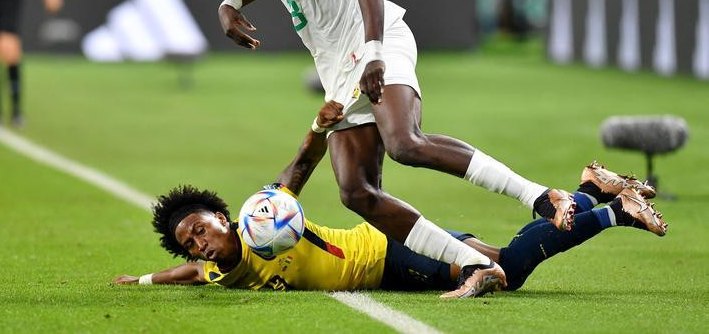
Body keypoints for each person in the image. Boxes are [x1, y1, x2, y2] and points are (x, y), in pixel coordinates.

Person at [217, 0, 573, 295]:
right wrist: (232, 2)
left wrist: (373, 54)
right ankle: (473, 263)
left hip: (377, 40)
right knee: (356, 192)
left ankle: (540, 196)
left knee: (405, 142)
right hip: (336, 68)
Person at [114, 103, 666, 297]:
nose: (201, 245)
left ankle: (615, 209)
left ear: (219, 215)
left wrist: (317, 125)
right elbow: (185, 275)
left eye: (201, 230)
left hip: (385, 251)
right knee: (502, 261)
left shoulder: (264, 215)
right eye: (192, 243)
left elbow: (301, 167)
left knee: (508, 272)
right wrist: (140, 281)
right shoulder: (216, 273)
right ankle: (592, 188)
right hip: (386, 267)